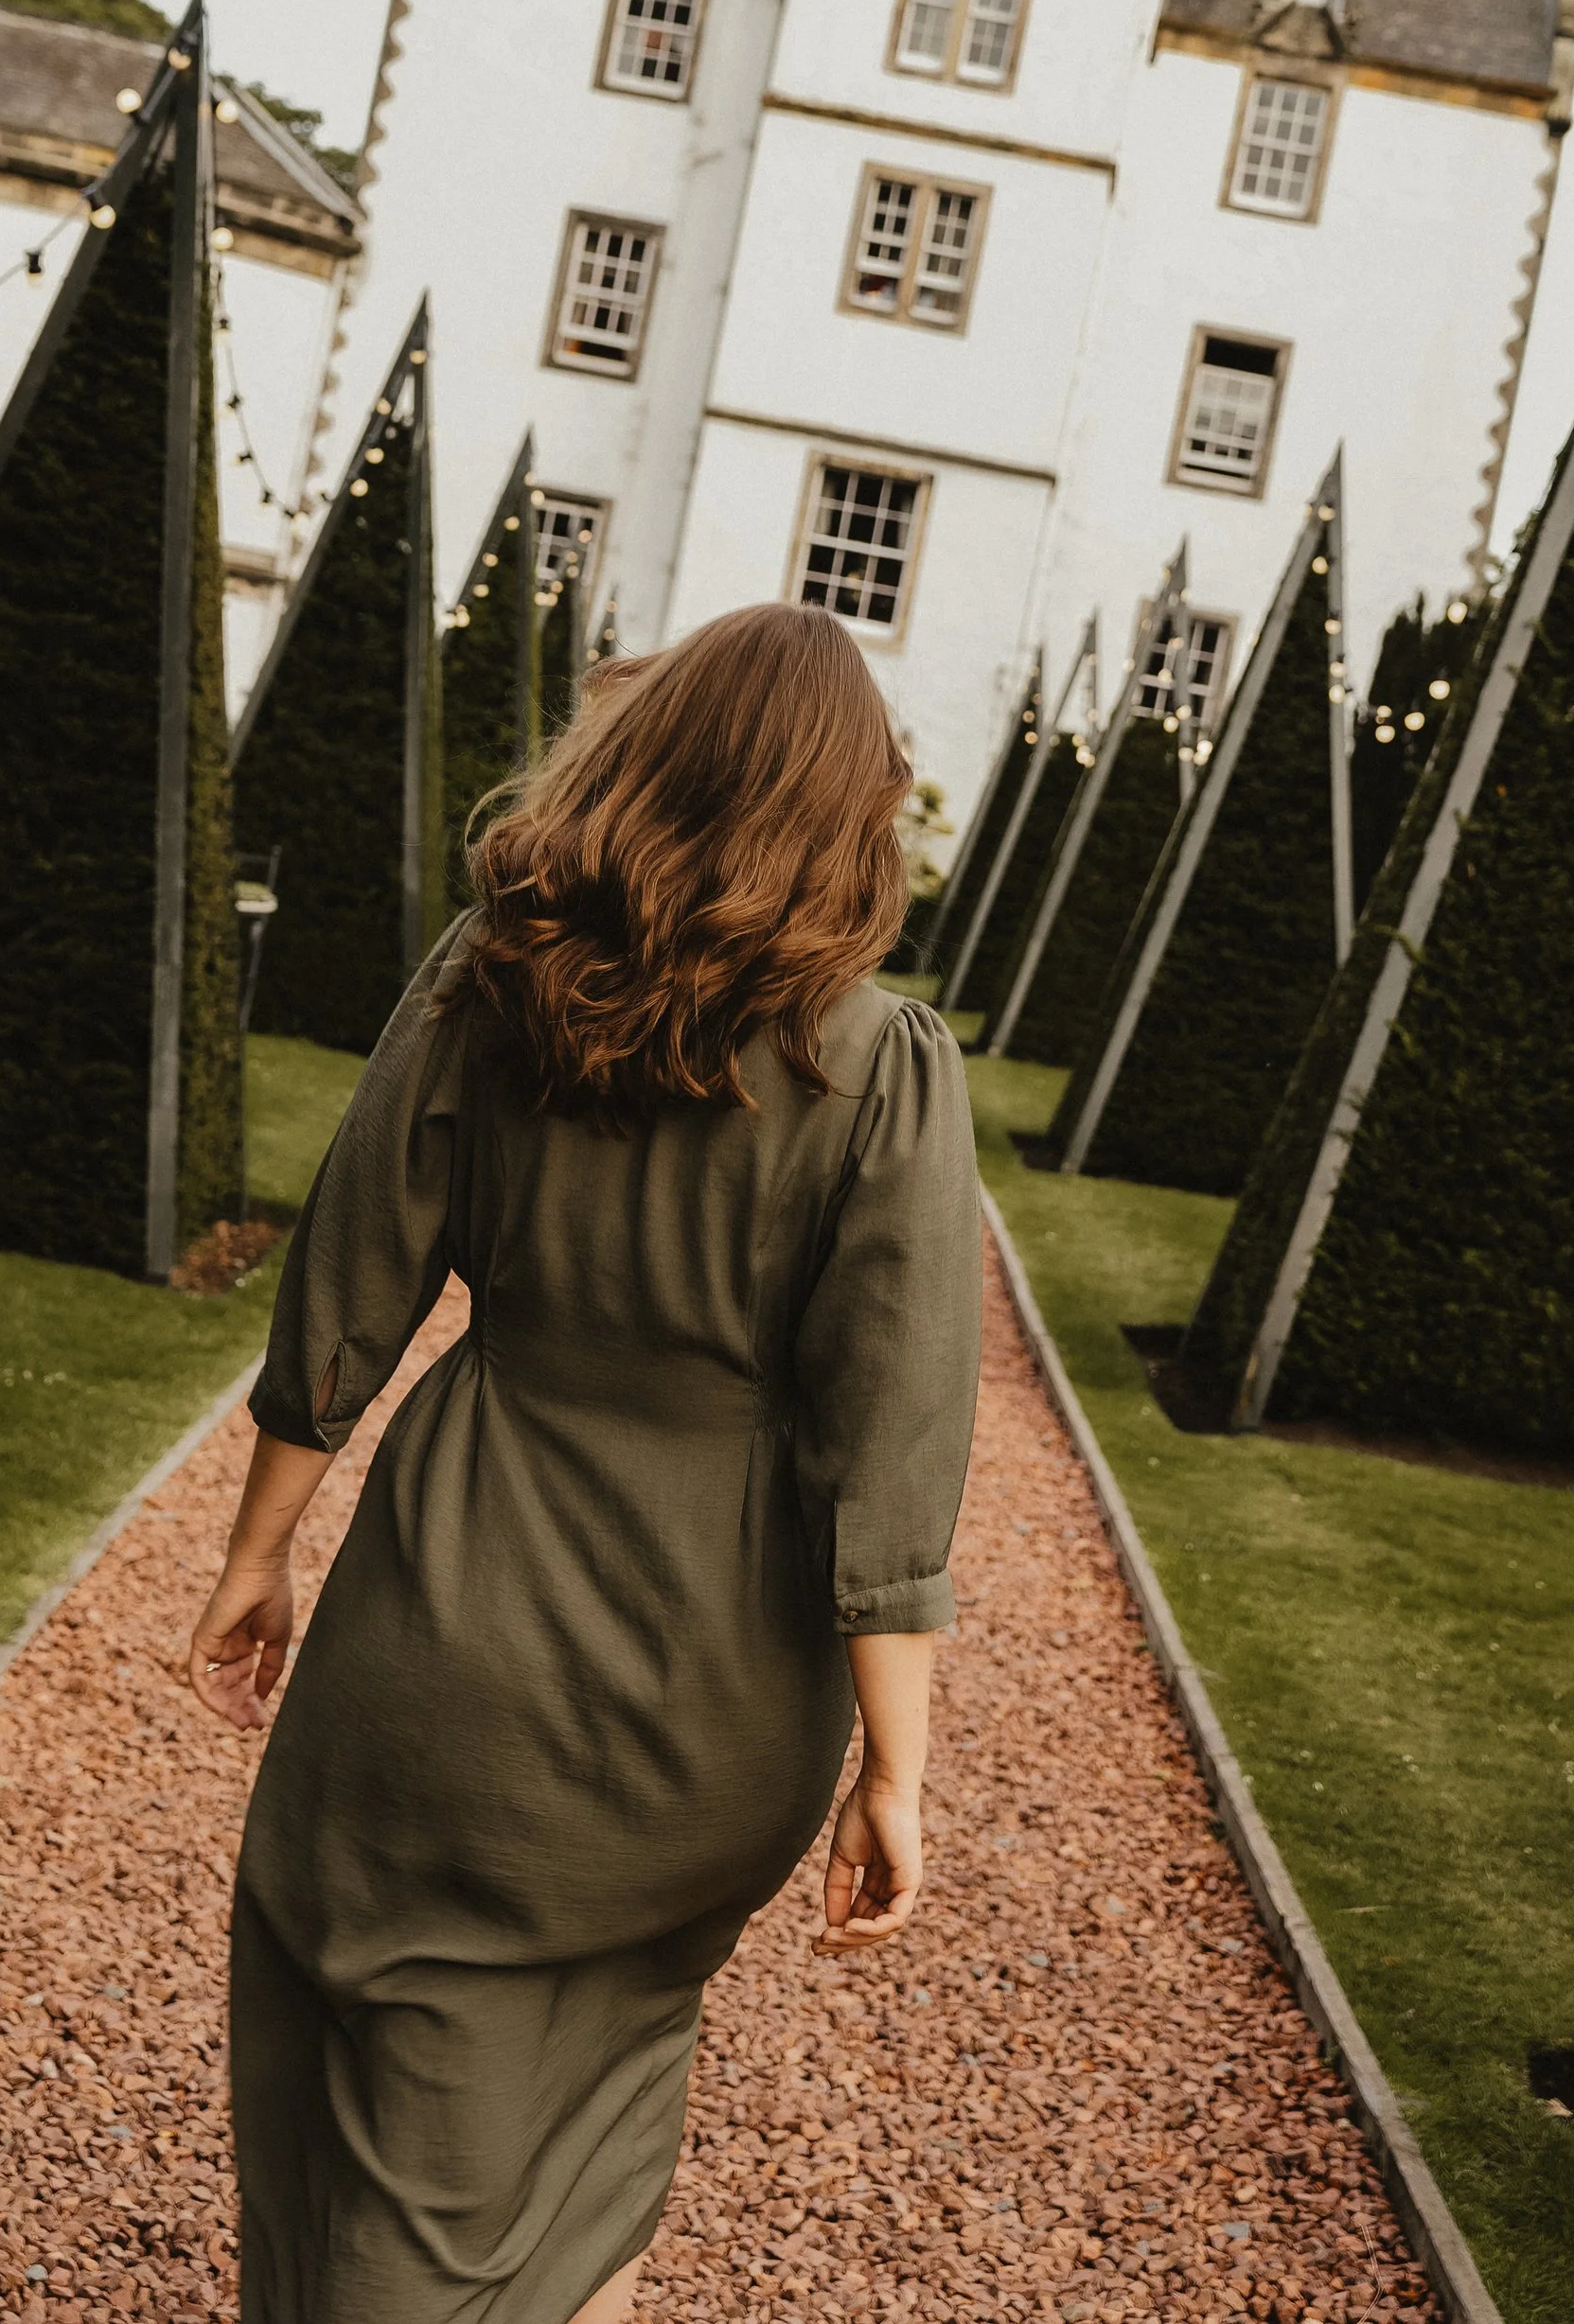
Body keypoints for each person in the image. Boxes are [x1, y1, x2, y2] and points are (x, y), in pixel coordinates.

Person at [181, 601, 984, 2324]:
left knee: (380, 2018)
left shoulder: (498, 974)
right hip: (720, 1709)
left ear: (649, 750)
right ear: (854, 813)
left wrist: (259, 1555)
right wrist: (895, 1775)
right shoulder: (883, 1072)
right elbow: (893, 1450)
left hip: (456, 1620)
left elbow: (353, 1272)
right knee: (607, 2064)